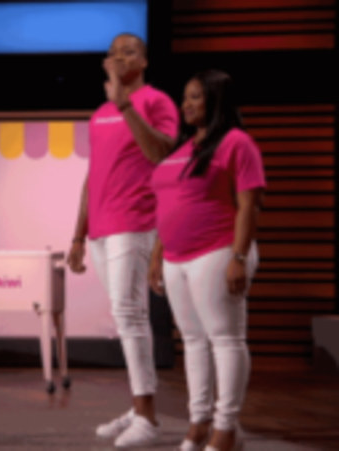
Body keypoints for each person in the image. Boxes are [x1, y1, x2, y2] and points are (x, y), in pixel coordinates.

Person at [67, 33, 179, 448]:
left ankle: (147, 418)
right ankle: (138, 407)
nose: (120, 57)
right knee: (126, 317)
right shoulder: (99, 114)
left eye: (129, 52)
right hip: (99, 228)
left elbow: (160, 153)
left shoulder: (157, 102)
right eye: (114, 53)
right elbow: (93, 174)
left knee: (130, 314)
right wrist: (78, 234)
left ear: (144, 62)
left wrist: (126, 105)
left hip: (134, 221)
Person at [148, 70, 265, 451]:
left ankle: (225, 429)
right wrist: (157, 255)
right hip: (175, 257)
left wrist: (239, 257)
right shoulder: (184, 148)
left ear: (216, 100)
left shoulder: (237, 143)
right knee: (193, 341)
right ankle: (198, 424)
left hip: (217, 251)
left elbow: (249, 205)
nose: (185, 104)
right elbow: (168, 206)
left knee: (226, 339)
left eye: (195, 97)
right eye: (185, 97)